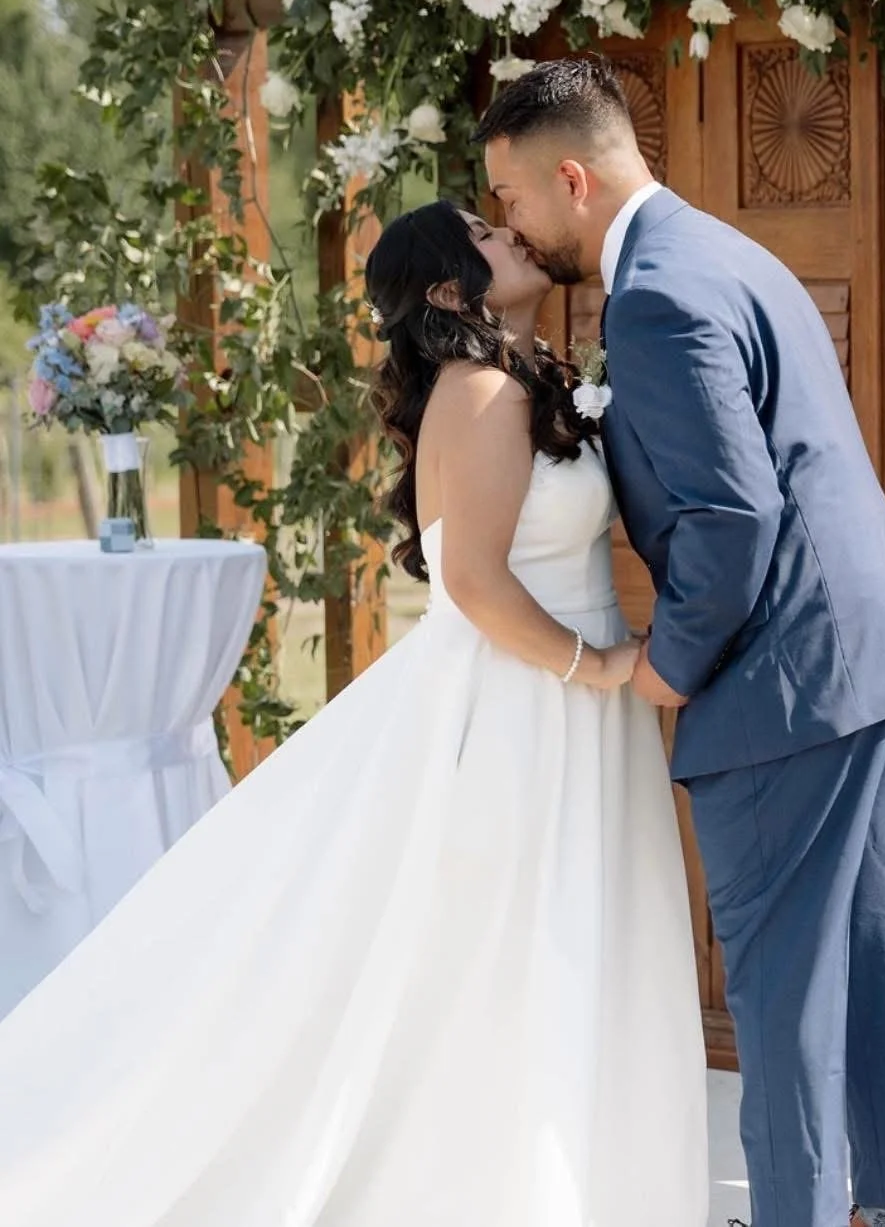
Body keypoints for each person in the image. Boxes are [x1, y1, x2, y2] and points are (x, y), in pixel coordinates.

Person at [0, 199, 708, 1227]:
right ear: (445, 289)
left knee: (570, 934)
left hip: (563, 698)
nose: (512, 231)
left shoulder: (523, 377)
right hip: (525, 702)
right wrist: (596, 669)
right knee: (514, 947)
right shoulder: (476, 391)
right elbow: (470, 578)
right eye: (485, 231)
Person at [475, 55, 885, 1227]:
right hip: (881, 656)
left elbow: (733, 513)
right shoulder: (723, 246)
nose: (509, 220)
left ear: (571, 176)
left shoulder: (652, 295)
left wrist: (669, 660)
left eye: (511, 197)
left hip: (788, 685)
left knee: (785, 995)